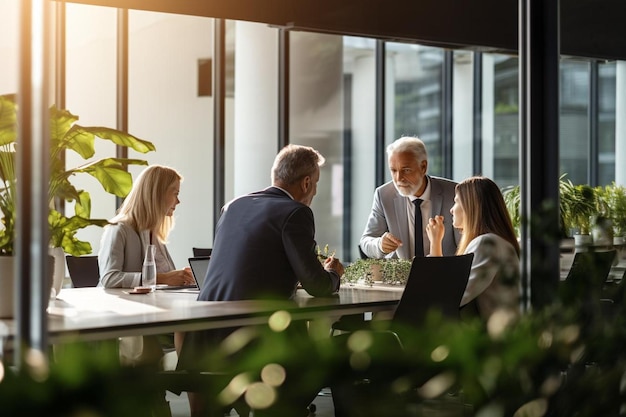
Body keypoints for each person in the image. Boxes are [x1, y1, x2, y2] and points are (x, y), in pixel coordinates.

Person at [178, 144, 345, 416]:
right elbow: (317, 285)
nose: (314, 191)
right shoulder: (296, 213)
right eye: (315, 184)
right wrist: (334, 274)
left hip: (204, 339)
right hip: (252, 342)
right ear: (305, 182)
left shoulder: (231, 207)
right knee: (329, 360)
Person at [426, 176, 521, 319]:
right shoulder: (493, 241)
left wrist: (435, 244)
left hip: (495, 337)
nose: (451, 210)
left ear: (470, 206)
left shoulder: (487, 244)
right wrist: (436, 242)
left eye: (456, 202)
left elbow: (452, 297)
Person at [360, 136, 460, 259]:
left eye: (406, 170)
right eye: (393, 170)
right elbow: (366, 242)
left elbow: (465, 245)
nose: (398, 178)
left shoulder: (453, 193)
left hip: (446, 274)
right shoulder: (383, 195)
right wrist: (380, 245)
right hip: (401, 277)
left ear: (423, 167)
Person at [98, 164, 194, 290]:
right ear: (157, 194)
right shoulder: (118, 229)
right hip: (126, 307)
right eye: (175, 194)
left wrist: (181, 277)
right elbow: (109, 278)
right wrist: (162, 278)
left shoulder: (154, 234)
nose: (178, 201)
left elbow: (166, 278)